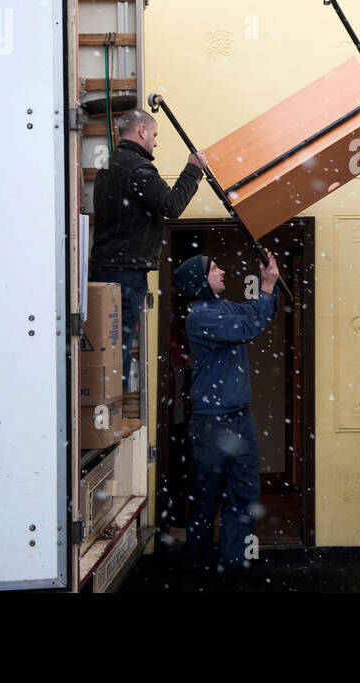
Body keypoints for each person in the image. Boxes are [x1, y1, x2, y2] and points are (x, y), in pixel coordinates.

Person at [174, 249, 280, 574]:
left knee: (244, 496)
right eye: (215, 269)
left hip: (239, 419)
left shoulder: (221, 308)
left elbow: (256, 313)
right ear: (200, 281)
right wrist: (266, 285)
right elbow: (248, 326)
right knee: (206, 499)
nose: (222, 272)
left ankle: (234, 568)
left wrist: (269, 286)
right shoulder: (201, 316)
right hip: (211, 422)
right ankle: (198, 569)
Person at [90, 107, 206, 393]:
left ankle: (105, 407)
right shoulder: (138, 169)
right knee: (119, 342)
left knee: (107, 341)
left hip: (106, 265)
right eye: (154, 134)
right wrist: (193, 169)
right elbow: (172, 205)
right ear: (142, 131)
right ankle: (111, 412)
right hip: (126, 270)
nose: (155, 142)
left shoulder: (109, 166)